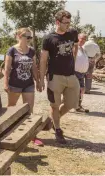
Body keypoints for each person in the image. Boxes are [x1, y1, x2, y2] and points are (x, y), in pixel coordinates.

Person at [39, 10, 79, 144]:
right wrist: (41, 79)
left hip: (71, 76)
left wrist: (73, 60)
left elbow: (75, 47)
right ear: (57, 22)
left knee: (72, 103)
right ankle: (57, 129)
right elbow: (43, 60)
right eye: (65, 23)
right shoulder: (48, 38)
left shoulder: (73, 33)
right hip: (55, 77)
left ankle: (52, 120)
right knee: (55, 105)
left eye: (69, 22)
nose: (68, 25)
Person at [4, 28, 42, 146]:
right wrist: (6, 83)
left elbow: (34, 67)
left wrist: (38, 81)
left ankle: (32, 135)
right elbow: (7, 68)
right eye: (28, 37)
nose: (30, 39)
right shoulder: (12, 50)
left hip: (28, 84)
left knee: (29, 110)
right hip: (14, 85)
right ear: (20, 36)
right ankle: (6, 133)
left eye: (31, 37)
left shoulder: (32, 51)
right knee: (11, 109)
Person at [74, 33, 89, 112]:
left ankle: (78, 105)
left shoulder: (83, 49)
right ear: (77, 38)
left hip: (82, 73)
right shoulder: (74, 47)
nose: (83, 40)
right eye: (82, 38)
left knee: (81, 90)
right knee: (77, 90)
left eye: (84, 39)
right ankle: (76, 106)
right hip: (75, 72)